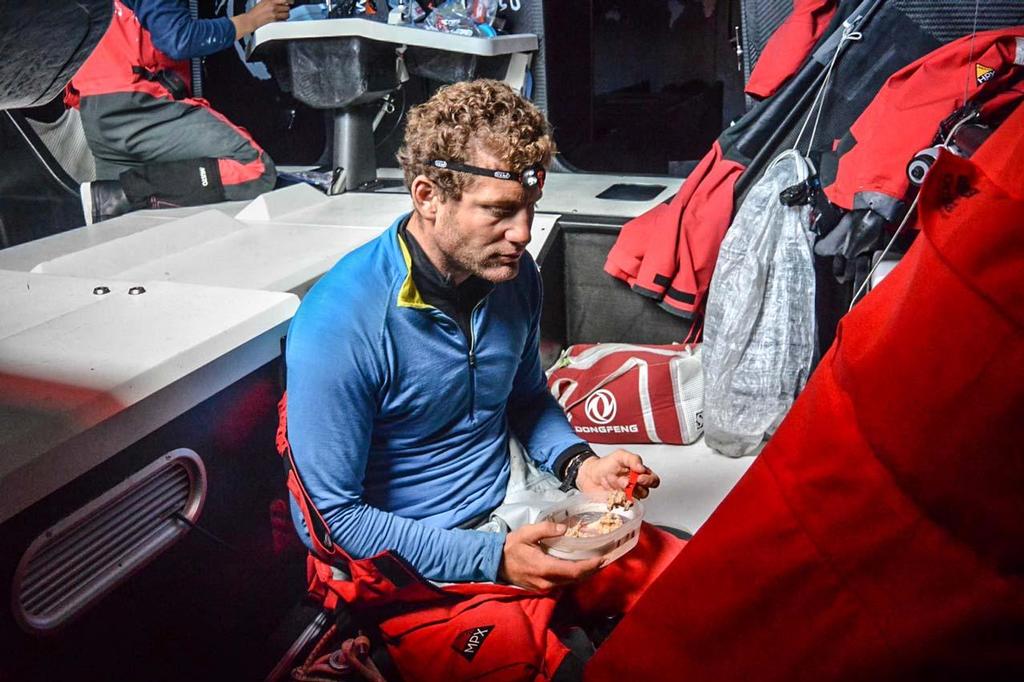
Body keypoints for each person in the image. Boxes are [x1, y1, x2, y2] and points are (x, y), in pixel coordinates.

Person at [282, 80, 686, 678]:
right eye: (499, 212)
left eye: (531, 209)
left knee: (697, 583)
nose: (524, 234)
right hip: (421, 556)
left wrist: (580, 465)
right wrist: (494, 558)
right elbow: (334, 521)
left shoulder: (513, 278)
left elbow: (524, 400)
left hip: (521, 504)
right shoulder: (342, 321)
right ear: (427, 197)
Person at [66, 0, 290, 224]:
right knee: (254, 168)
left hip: (96, 111)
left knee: (127, 226)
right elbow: (178, 39)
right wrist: (251, 20)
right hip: (140, 104)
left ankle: (119, 196)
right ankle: (122, 196)